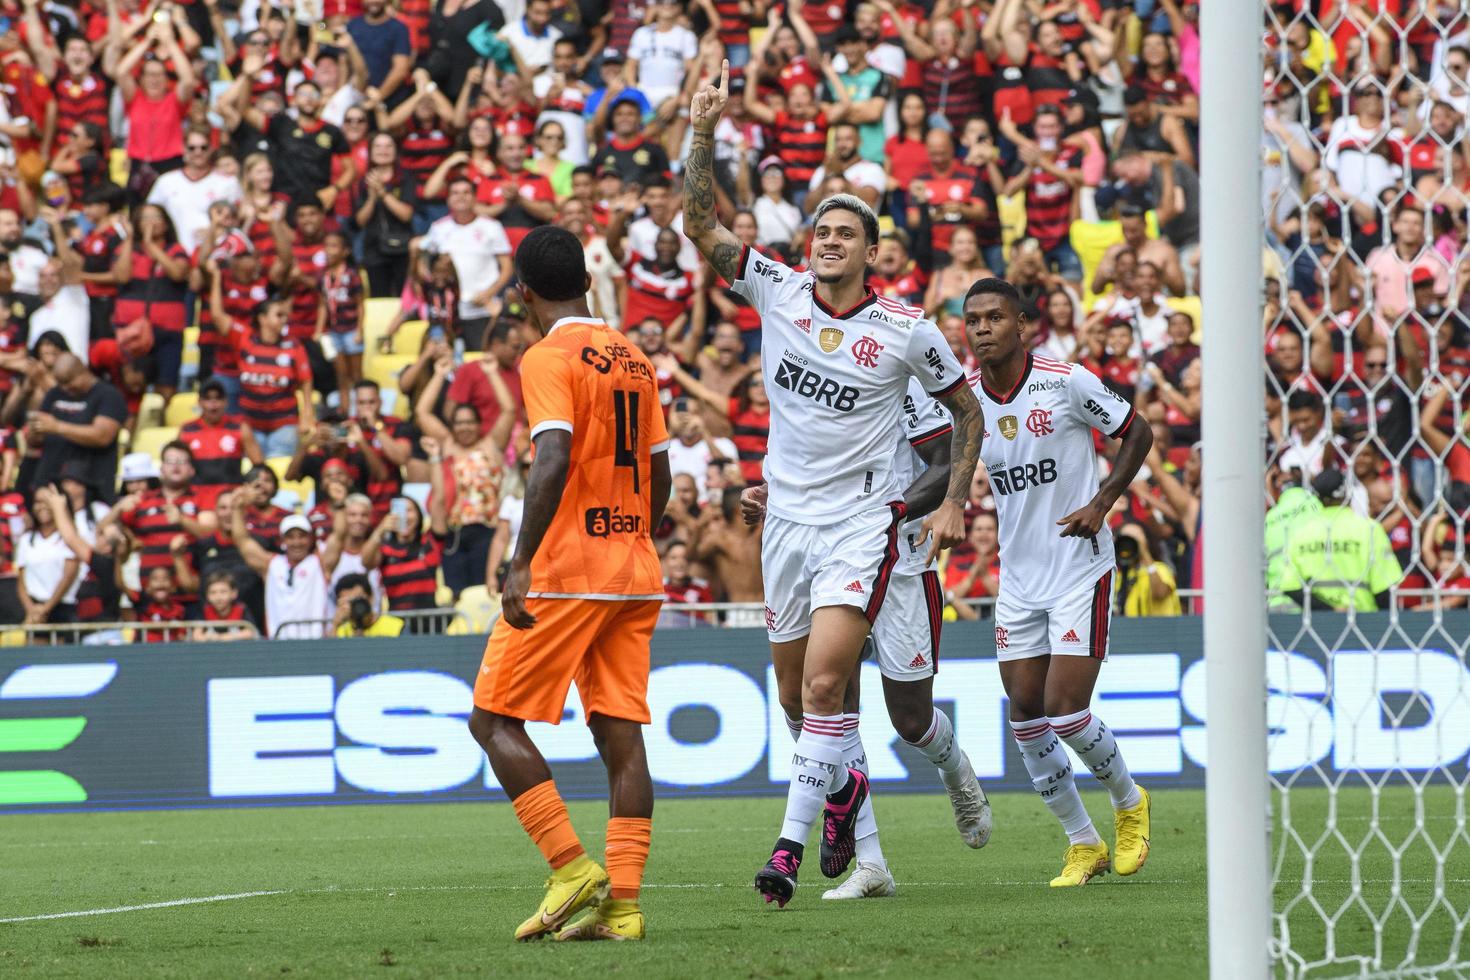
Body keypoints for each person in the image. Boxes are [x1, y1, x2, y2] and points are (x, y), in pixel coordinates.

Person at [684, 62, 982, 907]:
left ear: (871, 250)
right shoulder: (775, 290)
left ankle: (786, 850)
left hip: (863, 523)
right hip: (784, 523)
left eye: (845, 234)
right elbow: (697, 220)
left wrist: (953, 499)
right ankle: (852, 811)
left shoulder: (905, 333)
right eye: (820, 232)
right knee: (798, 704)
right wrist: (704, 129)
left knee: (834, 692)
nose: (827, 242)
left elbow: (966, 415)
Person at [467, 225, 672, 943]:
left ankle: (569, 868)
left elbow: (550, 455)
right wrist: (629, 533)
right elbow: (662, 476)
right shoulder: (636, 357)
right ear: (586, 279)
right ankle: (623, 909)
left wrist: (521, 559)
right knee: (621, 736)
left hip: (569, 571)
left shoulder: (546, 355)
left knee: (491, 721)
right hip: (636, 570)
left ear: (523, 292)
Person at [739, 376, 994, 902]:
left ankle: (955, 771)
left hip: (900, 557)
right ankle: (871, 860)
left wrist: (881, 513)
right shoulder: (806, 365)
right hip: (827, 549)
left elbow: (940, 464)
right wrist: (780, 497)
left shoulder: (894, 369)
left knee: (911, 720)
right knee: (817, 700)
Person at [962, 276, 1154, 888]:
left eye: (995, 317)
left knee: (1064, 710)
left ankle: (1129, 802)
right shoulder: (963, 400)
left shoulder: (1065, 381)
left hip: (1079, 566)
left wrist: (1103, 502)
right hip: (1018, 577)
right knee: (1024, 713)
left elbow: (1138, 431)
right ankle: (1081, 842)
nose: (983, 328)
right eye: (973, 320)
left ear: (1022, 325)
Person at [1280, 468, 1402, 613]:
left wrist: (1330, 610)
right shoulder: (1369, 529)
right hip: (1363, 622)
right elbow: (1384, 589)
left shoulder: (1302, 532)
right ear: (1348, 494)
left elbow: (1290, 587)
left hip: (1316, 625)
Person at [29, 353, 127, 503]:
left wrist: (58, 427)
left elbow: (102, 436)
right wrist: (35, 431)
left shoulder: (108, 395)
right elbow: (35, 439)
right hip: (49, 481)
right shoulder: (54, 394)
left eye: (68, 381)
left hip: (91, 485)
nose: (65, 388)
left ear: (82, 371)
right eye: (60, 383)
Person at [229, 507, 337, 638]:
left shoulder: (320, 563)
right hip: (278, 644)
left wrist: (341, 504)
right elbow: (242, 541)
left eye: (302, 536)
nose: (296, 543)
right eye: (290, 537)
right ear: (282, 540)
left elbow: (339, 536)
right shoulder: (271, 564)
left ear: (310, 539)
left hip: (316, 644)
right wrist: (237, 508)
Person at [333, 571, 405, 637]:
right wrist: (336, 624)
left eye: (359, 600)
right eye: (350, 602)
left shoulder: (395, 626)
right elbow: (330, 650)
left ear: (371, 598)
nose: (356, 606)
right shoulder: (340, 632)